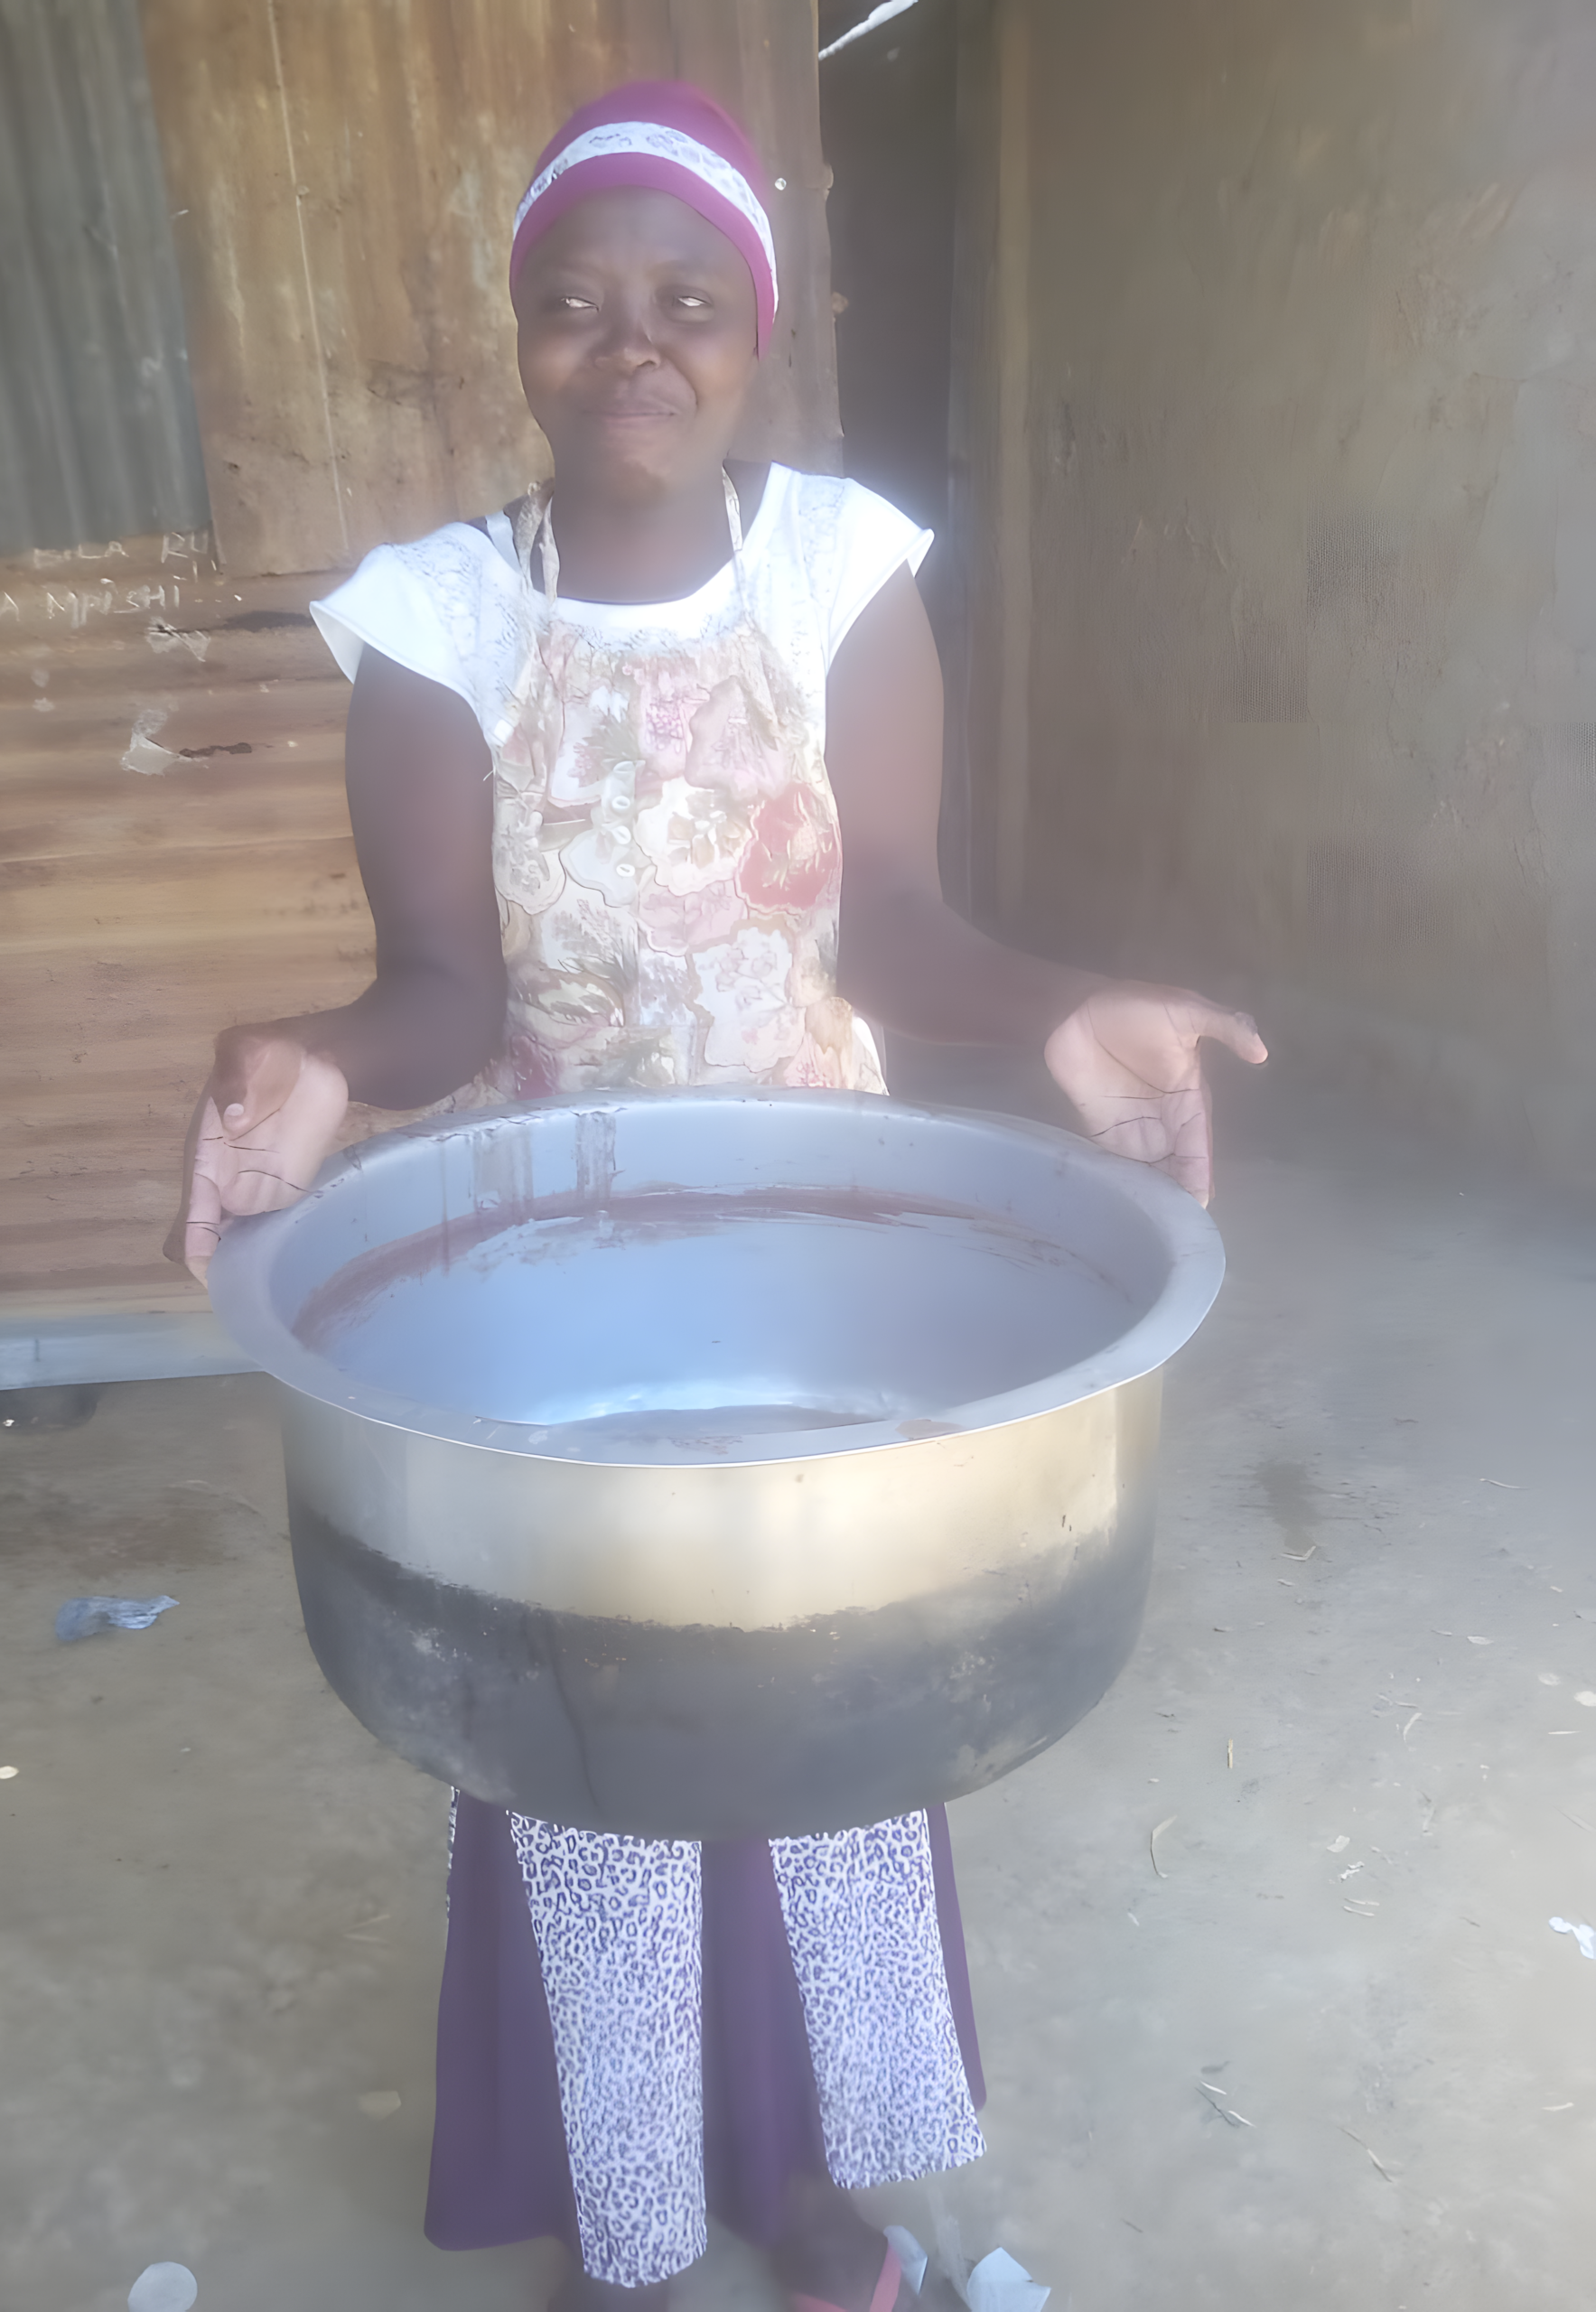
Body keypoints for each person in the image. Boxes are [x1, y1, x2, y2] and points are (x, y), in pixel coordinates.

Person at [170, 81, 1265, 2312]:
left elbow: (894, 928)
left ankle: (821, 2177)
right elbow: (444, 989)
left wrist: (1059, 1010)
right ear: (519, 334)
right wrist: (321, 1063)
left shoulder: (838, 573)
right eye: (576, 302)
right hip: (540, 1297)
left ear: (755, 333)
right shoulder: (441, 623)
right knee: (588, 1752)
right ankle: (633, 2215)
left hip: (826, 1282)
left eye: (686, 302)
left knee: (848, 1719)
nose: (632, 345)